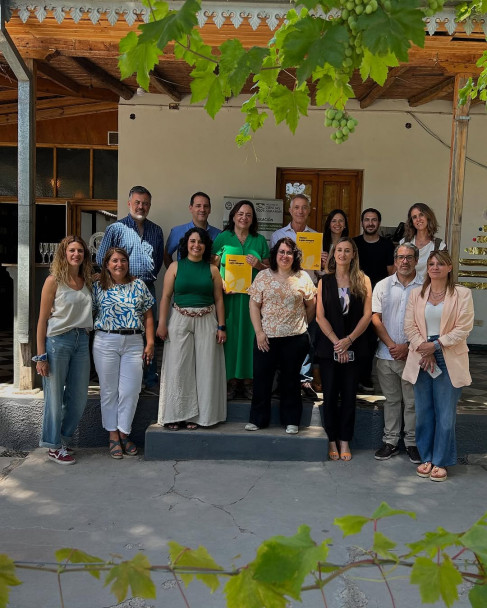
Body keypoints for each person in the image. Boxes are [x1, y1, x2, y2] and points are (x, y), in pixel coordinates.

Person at [403, 250, 474, 482]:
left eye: (440, 264)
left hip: (447, 355)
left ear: (449, 268)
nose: (435, 267)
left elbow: (463, 328)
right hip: (422, 356)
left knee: (445, 415)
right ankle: (427, 458)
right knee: (424, 413)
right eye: (431, 263)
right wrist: (424, 347)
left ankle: (441, 461)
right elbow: (409, 325)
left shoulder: (462, 294)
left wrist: (435, 346)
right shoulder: (417, 294)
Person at [157, 227, 227, 429]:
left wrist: (221, 326)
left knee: (206, 368)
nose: (197, 245)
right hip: (179, 319)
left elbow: (219, 299)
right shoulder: (175, 267)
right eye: (193, 241)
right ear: (186, 244)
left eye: (201, 242)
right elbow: (166, 297)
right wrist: (162, 323)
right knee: (178, 367)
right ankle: (176, 415)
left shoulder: (212, 270)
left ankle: (200, 417)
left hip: (207, 319)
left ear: (206, 246)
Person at [245, 238, 316, 433]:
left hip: (295, 338)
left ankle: (291, 420)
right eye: (281, 252)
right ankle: (258, 419)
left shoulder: (303, 277)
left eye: (289, 253)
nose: (285, 256)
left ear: (295, 256)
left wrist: (300, 326)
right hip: (266, 337)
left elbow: (311, 306)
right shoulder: (263, 276)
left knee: (291, 380)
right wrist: (259, 332)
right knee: (261, 379)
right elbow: (254, 304)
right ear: (275, 255)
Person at [96, 185, 164, 391]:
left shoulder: (156, 230)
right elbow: (101, 259)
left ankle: (150, 381)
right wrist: (124, 278)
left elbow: (159, 260)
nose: (141, 206)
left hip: (147, 287)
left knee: (148, 336)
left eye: (145, 203)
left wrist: (143, 280)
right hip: (120, 289)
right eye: (137, 202)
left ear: (149, 206)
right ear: (129, 203)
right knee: (124, 335)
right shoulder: (115, 229)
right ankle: (122, 382)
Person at [34, 236, 93, 465]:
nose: (76, 254)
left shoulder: (86, 280)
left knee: (78, 396)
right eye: (72, 250)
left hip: (81, 341)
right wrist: (40, 357)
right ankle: (52, 445)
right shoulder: (53, 281)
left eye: (80, 250)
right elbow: (41, 321)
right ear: (64, 253)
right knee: (54, 396)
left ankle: (64, 439)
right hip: (58, 341)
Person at [92, 247, 155, 459]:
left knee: (131, 389)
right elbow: (86, 309)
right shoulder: (97, 286)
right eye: (114, 261)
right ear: (107, 265)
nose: (119, 264)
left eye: (123, 260)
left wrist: (150, 342)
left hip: (134, 341)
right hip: (105, 340)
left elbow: (148, 314)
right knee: (109, 391)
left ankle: (124, 431)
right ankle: (113, 435)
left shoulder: (138, 285)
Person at [315, 237, 372, 461]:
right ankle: (331, 438)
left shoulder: (363, 280)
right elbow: (320, 316)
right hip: (329, 347)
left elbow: (368, 315)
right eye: (339, 250)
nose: (342, 254)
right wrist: (336, 341)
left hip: (355, 346)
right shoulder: (324, 282)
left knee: (349, 395)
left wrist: (348, 340)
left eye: (347, 250)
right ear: (333, 254)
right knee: (329, 395)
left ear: (353, 255)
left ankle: (344, 439)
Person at [212, 200, 270, 400]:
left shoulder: (260, 240)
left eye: (248, 215)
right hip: (229, 299)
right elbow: (213, 267)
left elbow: (270, 270)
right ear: (233, 216)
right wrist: (221, 284)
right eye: (240, 213)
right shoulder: (222, 238)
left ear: (253, 219)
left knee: (250, 337)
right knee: (231, 337)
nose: (244, 217)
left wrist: (259, 264)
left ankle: (248, 381)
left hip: (253, 300)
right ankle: (230, 381)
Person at [372, 243, 423, 464]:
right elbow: (375, 318)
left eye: (409, 257)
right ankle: (391, 442)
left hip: (413, 355)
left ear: (416, 260)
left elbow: (426, 321)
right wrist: (393, 345)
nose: (404, 261)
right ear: (395, 260)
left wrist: (407, 346)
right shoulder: (382, 286)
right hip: (386, 354)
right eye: (400, 257)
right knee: (391, 400)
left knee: (412, 402)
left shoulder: (424, 287)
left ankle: (412, 443)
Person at [270, 194, 320, 399]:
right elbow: (273, 265)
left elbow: (319, 270)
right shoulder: (278, 235)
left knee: (307, 337)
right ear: (290, 211)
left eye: (304, 208)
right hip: (284, 293)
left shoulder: (316, 236)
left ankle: (305, 381)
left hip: (307, 292)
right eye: (296, 207)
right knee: (284, 339)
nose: (300, 211)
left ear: (309, 211)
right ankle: (284, 380)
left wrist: (322, 261)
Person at [353, 207, 395, 392]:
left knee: (371, 339)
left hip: (379, 297)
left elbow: (391, 272)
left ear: (379, 223)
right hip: (356, 295)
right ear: (362, 222)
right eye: (367, 219)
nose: (370, 223)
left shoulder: (387, 245)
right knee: (354, 336)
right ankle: (352, 376)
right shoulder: (354, 244)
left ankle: (365, 376)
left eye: (374, 220)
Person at [163, 191, 221, 267]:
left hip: (209, 277)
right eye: (198, 206)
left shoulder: (219, 234)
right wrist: (175, 274)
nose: (202, 209)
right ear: (191, 208)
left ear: (210, 209)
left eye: (206, 206)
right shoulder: (177, 231)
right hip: (184, 277)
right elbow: (167, 254)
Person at [400, 203, 446, 277]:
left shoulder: (439, 245)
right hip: (408, 287)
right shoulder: (404, 242)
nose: (418, 219)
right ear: (412, 222)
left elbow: (443, 273)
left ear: (428, 217)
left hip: (430, 287)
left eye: (421, 215)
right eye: (414, 217)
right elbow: (397, 270)